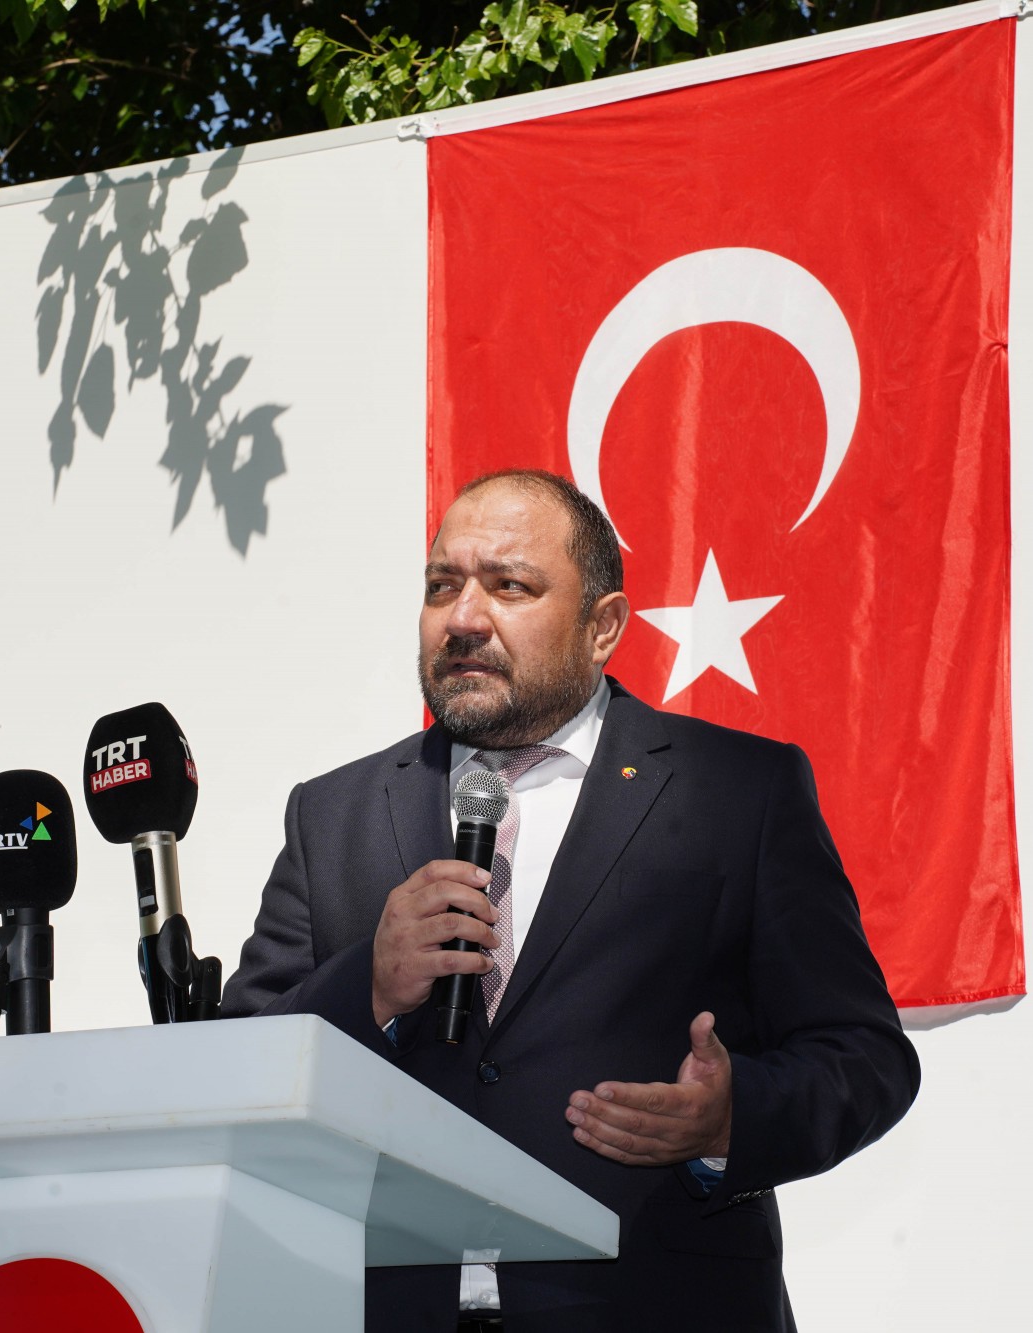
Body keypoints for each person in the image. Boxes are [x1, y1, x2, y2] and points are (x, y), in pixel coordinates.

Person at [222, 469, 919, 1332]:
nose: (464, 617)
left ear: (603, 626)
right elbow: (235, 1069)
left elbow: (865, 1055)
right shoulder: (334, 813)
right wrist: (365, 987)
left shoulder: (742, 790)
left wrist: (731, 1119)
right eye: (442, 584)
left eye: (509, 585)